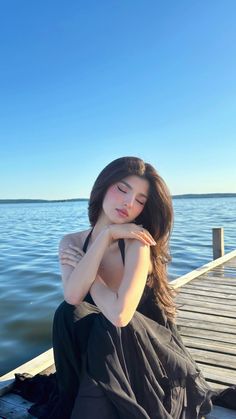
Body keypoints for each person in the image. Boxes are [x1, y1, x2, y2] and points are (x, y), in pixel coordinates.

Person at [12, 156, 235, 418]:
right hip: (105, 343)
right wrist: (105, 237)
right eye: (122, 189)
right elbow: (73, 296)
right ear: (103, 186)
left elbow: (120, 316)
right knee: (66, 313)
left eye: (140, 200)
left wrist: (90, 268)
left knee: (107, 323)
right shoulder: (71, 241)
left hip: (146, 345)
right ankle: (78, 396)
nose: (129, 203)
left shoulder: (137, 242)